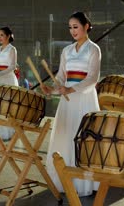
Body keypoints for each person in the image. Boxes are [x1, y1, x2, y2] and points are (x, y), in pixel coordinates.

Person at [41, 12, 101, 197]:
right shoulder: (66, 51)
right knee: (65, 135)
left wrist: (71, 90)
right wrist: (52, 89)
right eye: (70, 27)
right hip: (67, 100)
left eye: (76, 26)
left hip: (85, 98)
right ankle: (63, 181)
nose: (72, 31)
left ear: (86, 26)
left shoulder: (93, 49)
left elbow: (93, 78)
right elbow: (61, 77)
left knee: (82, 138)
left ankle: (84, 184)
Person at [0, 26, 18, 141]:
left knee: (7, 105)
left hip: (8, 79)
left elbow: (12, 66)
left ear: (8, 36)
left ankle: (9, 132)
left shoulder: (12, 49)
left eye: (2, 35)